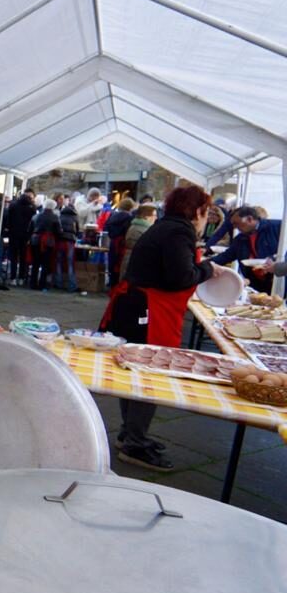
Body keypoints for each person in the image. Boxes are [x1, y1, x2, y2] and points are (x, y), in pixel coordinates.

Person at [99, 185, 229, 471]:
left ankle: (131, 434)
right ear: (197, 211)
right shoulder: (179, 232)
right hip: (149, 311)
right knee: (149, 375)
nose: (206, 219)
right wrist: (207, 269)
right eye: (206, 213)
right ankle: (134, 442)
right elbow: (180, 277)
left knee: (137, 371)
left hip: (139, 307)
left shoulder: (166, 227)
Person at [211, 206, 282, 294]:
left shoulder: (278, 227)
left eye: (236, 223)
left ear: (249, 219)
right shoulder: (240, 239)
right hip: (257, 285)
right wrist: (206, 264)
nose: (235, 227)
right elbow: (226, 256)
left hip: (278, 282)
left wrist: (274, 259)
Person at [3, 189, 37, 285]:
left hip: (13, 234)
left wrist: (8, 231)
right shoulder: (32, 207)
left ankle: (13, 278)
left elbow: (8, 220)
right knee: (23, 257)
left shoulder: (13, 205)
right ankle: (22, 278)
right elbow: (33, 223)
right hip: (25, 235)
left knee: (13, 257)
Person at [29, 199, 61, 291]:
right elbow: (58, 231)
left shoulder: (35, 216)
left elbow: (30, 229)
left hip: (35, 240)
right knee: (45, 264)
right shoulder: (55, 217)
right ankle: (42, 284)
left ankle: (33, 283)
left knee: (35, 263)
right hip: (48, 242)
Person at [118, 202, 157, 277]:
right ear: (146, 216)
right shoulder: (142, 230)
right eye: (154, 215)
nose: (156, 218)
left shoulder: (139, 227)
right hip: (134, 265)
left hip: (132, 264)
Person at [105, 197, 136, 286]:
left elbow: (107, 228)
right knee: (120, 264)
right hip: (122, 243)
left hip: (113, 242)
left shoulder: (112, 216)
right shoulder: (129, 218)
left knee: (112, 263)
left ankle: (112, 283)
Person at [55, 194, 80, 292]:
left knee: (59, 262)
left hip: (60, 240)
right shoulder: (75, 217)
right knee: (70, 263)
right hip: (70, 241)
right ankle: (72, 285)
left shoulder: (60, 216)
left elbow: (58, 229)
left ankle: (58, 283)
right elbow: (77, 231)